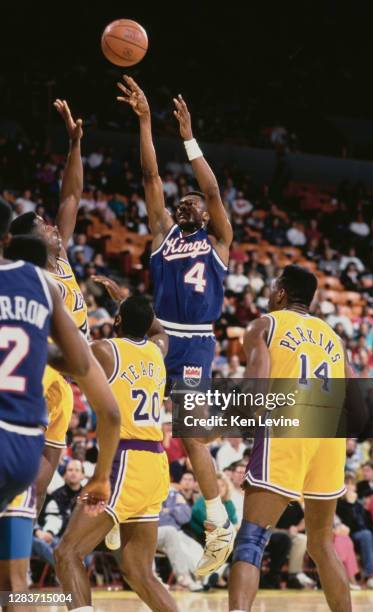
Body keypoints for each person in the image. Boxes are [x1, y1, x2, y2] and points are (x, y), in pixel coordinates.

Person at [117, 75, 235, 576]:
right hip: (158, 337)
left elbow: (209, 184)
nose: (190, 201)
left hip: (197, 344)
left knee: (191, 435)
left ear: (208, 216)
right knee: (125, 409)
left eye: (197, 202)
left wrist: (188, 138)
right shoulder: (164, 236)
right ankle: (119, 498)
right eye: (183, 199)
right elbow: (149, 177)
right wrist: (145, 121)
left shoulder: (219, 242)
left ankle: (217, 524)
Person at [0, 212, 120, 599]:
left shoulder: (54, 269)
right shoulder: (42, 286)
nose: (53, 227)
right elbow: (108, 407)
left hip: (44, 392)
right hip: (25, 437)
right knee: (15, 584)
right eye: (42, 224)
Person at [228, 265, 352, 612]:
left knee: (252, 538)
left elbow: (256, 386)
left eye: (273, 288)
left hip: (287, 424)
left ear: (281, 292)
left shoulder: (265, 324)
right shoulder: (334, 337)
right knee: (322, 544)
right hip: (328, 435)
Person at [54, 296, 178, 612]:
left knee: (67, 553)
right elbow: (159, 329)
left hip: (125, 461)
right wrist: (128, 303)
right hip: (155, 465)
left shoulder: (105, 351)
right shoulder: (158, 350)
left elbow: (60, 358)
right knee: (139, 572)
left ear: (117, 320)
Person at [9, 99, 88, 513]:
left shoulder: (62, 260)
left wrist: (74, 144)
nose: (54, 224)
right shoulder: (26, 271)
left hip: (66, 381)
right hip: (39, 368)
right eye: (44, 223)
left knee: (50, 463)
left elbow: (72, 194)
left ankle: (22, 520)